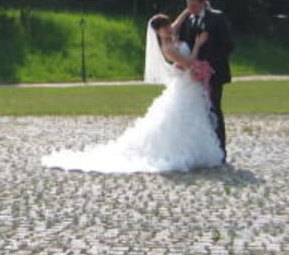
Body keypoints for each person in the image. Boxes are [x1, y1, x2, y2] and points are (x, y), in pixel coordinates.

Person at [41, 14, 224, 173]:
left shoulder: (172, 35)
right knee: (181, 118)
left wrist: (187, 10)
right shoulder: (168, 48)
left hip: (188, 85)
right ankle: (184, 152)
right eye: (164, 28)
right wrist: (198, 45)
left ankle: (194, 150)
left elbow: (177, 22)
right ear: (157, 33)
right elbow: (188, 62)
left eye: (168, 26)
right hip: (184, 83)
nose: (169, 29)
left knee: (193, 117)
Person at [176, 0, 234, 162]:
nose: (191, 9)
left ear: (203, 3)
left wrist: (209, 63)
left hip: (215, 72)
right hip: (195, 73)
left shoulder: (217, 17)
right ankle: (203, 149)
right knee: (199, 110)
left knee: (214, 108)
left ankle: (220, 150)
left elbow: (228, 45)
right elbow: (185, 42)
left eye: (194, 5)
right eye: (189, 5)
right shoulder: (189, 20)